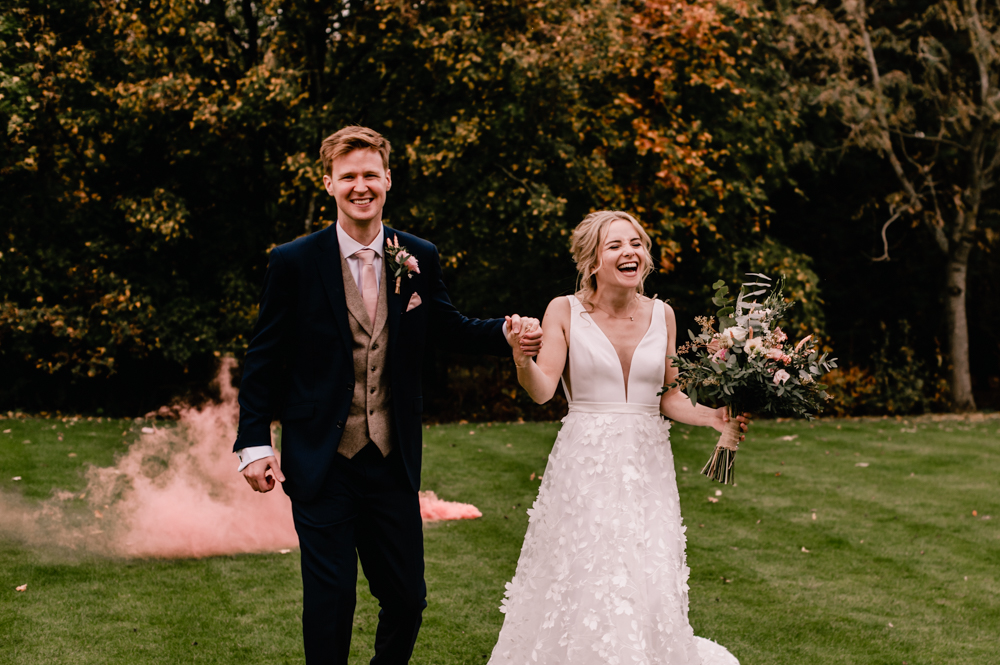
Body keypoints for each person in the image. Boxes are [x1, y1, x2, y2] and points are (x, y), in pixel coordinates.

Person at [233, 125, 542, 665]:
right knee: (331, 602)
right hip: (319, 459)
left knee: (406, 599)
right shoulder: (294, 261)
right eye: (348, 176)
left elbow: (448, 326)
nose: (360, 186)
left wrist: (505, 333)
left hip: (390, 459)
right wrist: (254, 444)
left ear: (388, 180)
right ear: (328, 183)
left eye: (370, 175)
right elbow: (264, 356)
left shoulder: (417, 254)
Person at [490, 210, 747, 664]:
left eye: (636, 244)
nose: (630, 252)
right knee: (587, 567)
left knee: (645, 566)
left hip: (648, 463)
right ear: (592, 261)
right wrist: (520, 359)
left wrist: (713, 417)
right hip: (585, 461)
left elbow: (669, 397)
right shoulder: (562, 310)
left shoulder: (663, 313)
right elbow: (543, 388)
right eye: (615, 245)